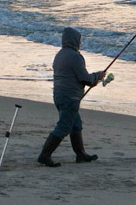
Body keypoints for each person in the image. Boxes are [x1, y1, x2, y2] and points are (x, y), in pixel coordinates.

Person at [37, 27, 105, 167]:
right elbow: (85, 78)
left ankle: (80, 154)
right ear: (74, 41)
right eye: (79, 40)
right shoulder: (75, 57)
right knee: (64, 126)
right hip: (70, 97)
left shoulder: (60, 54)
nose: (80, 43)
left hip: (59, 95)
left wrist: (93, 80)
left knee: (75, 124)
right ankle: (45, 155)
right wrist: (98, 76)